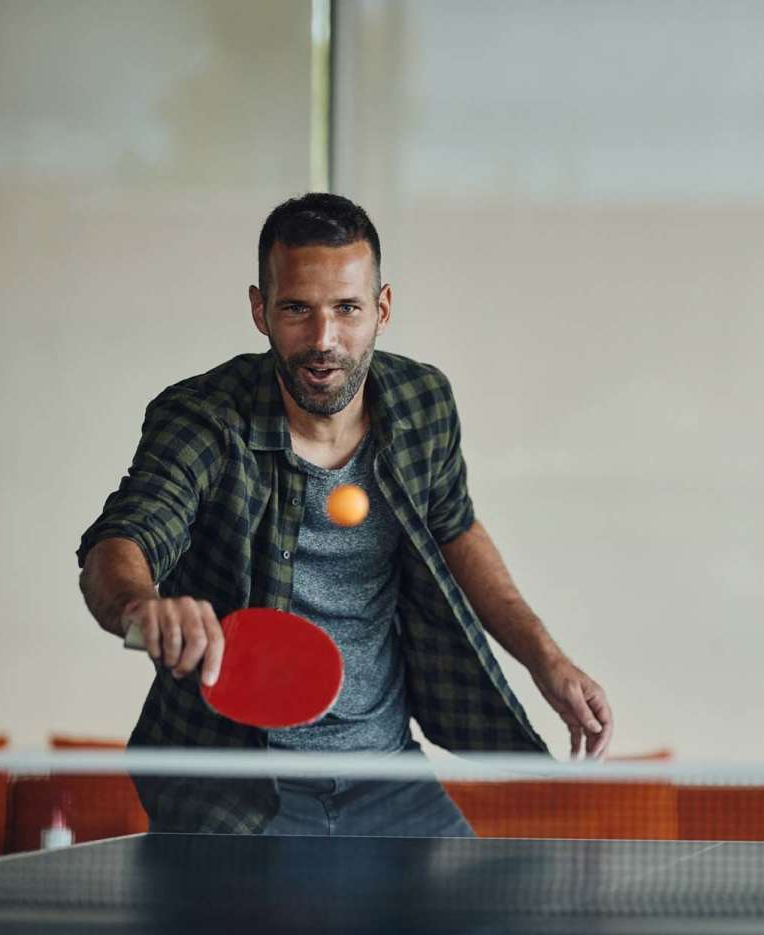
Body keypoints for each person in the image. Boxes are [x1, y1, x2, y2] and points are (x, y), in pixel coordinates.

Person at [77, 193, 613, 836]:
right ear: (260, 311)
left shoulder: (423, 402)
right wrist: (142, 607)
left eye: (347, 309)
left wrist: (546, 660)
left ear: (382, 310)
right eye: (297, 309)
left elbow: (456, 529)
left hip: (387, 772)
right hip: (235, 781)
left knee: (480, 934)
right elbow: (126, 535)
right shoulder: (204, 418)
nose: (323, 340)